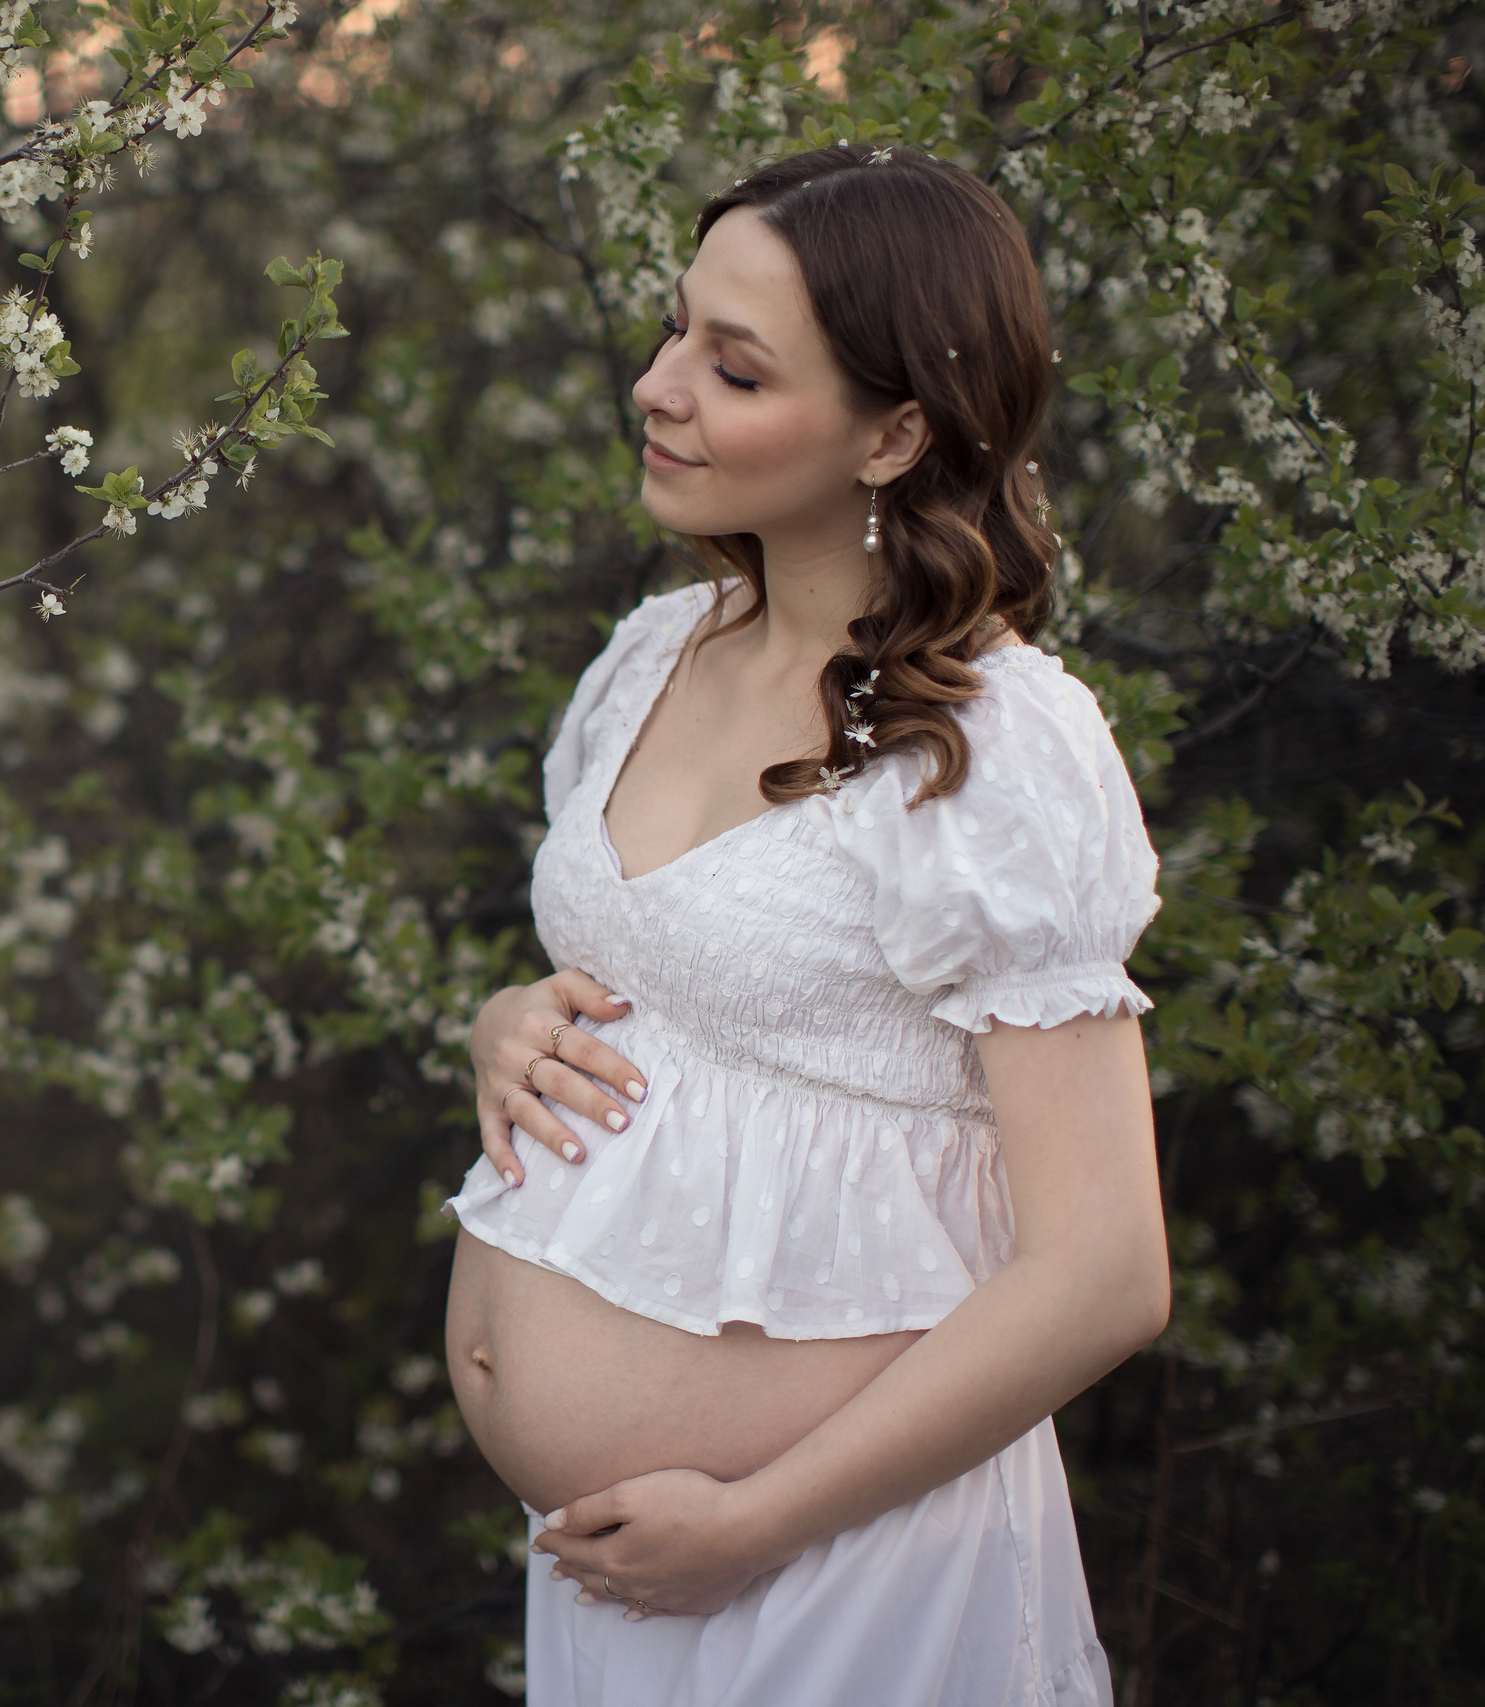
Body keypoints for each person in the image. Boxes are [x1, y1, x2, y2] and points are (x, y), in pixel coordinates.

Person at [440, 142, 1170, 1706]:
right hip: (620, 1561)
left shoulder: (993, 749)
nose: (657, 385)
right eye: (673, 330)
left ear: (897, 431)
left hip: (845, 1562)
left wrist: (757, 1523)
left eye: (734, 366)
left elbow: (1105, 1269)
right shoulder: (650, 657)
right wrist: (509, 1024)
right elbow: (677, 991)